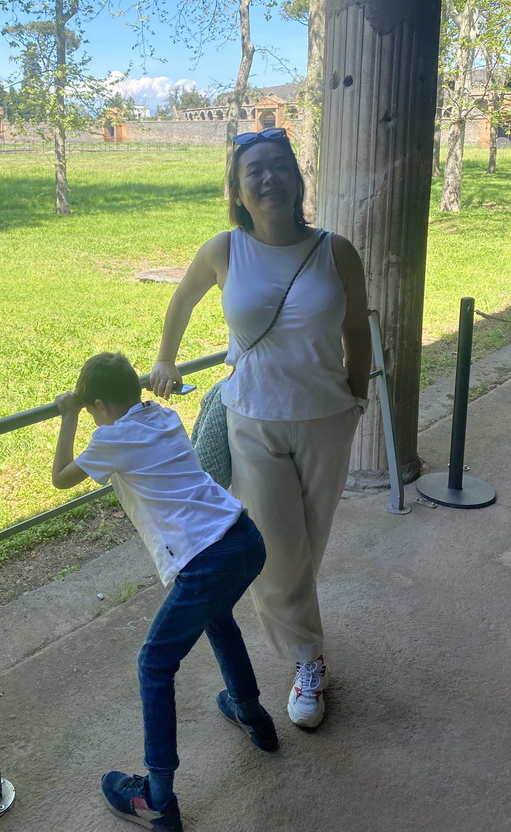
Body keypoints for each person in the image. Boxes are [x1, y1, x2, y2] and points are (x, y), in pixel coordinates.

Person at [150, 127, 371, 730]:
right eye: (254, 171)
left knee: (309, 545)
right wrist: (166, 359)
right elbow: (182, 301)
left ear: (299, 180)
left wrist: (359, 393)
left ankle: (301, 637)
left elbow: (356, 330)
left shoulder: (336, 250)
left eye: (279, 167)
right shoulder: (223, 250)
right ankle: (308, 660)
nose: (267, 177)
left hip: (327, 418)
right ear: (238, 190)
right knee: (275, 551)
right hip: (252, 418)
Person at [52, 351, 276, 832]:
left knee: (154, 663)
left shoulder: (110, 438)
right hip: (244, 537)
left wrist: (68, 416)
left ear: (99, 406)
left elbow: (61, 478)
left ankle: (155, 798)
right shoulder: (166, 415)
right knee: (218, 619)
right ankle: (253, 715)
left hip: (205, 559)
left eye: (91, 410)